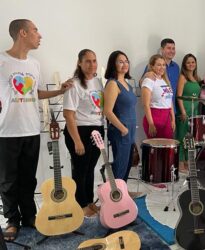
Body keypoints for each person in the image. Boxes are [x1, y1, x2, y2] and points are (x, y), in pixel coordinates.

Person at [0, 19, 72, 241]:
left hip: (31, 129)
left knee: (28, 178)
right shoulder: (1, 61)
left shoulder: (34, 64)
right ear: (22, 33)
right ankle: (12, 221)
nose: (39, 35)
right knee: (8, 180)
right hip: (6, 132)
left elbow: (36, 93)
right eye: (35, 30)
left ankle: (29, 216)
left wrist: (60, 91)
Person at [63, 49, 104, 217]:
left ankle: (89, 200)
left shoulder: (98, 82)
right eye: (87, 61)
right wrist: (77, 141)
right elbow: (68, 114)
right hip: (79, 130)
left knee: (90, 168)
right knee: (80, 169)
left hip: (97, 129)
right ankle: (80, 205)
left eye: (94, 61)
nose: (91, 64)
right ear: (79, 63)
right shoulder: (74, 84)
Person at [103, 51, 137, 182]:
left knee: (128, 164)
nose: (125, 64)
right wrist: (123, 129)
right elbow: (107, 111)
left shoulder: (127, 83)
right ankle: (115, 196)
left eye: (126, 61)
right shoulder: (113, 84)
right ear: (113, 64)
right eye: (120, 61)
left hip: (130, 130)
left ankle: (123, 194)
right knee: (120, 166)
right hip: (120, 131)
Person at [175, 54, 201, 171]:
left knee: (190, 138)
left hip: (194, 111)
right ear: (184, 65)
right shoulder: (182, 77)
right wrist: (183, 112)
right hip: (184, 111)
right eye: (188, 62)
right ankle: (180, 162)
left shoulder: (197, 78)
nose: (191, 64)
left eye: (193, 62)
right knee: (181, 137)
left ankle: (187, 160)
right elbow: (179, 96)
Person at [142, 54, 175, 139]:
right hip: (154, 117)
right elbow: (146, 104)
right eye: (159, 65)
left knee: (167, 149)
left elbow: (169, 101)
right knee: (155, 150)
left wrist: (173, 119)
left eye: (164, 65)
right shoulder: (148, 80)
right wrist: (151, 123)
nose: (162, 67)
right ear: (152, 66)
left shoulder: (165, 81)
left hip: (167, 118)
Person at [140, 38, 179, 108]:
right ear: (162, 49)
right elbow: (141, 84)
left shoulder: (176, 67)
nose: (171, 51)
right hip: (157, 109)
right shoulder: (152, 65)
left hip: (172, 109)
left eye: (173, 48)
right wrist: (146, 75)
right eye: (169, 48)